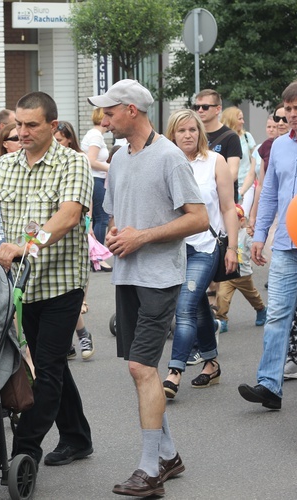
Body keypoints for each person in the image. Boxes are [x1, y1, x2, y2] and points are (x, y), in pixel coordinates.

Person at [0, 91, 94, 469]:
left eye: (31, 125)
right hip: (20, 287)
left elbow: (68, 216)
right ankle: (77, 437)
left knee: (47, 367)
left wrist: (24, 245)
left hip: (60, 283)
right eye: (19, 124)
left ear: (53, 126)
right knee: (54, 366)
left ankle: (24, 448)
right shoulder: (5, 166)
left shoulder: (73, 163)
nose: (23, 132)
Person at [90, 79, 208, 497]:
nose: (104, 119)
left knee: (140, 368)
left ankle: (148, 470)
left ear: (131, 111)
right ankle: (169, 455)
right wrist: (117, 234)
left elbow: (199, 219)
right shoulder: (119, 158)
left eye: (109, 111)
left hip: (159, 278)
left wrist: (142, 237)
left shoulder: (170, 157)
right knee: (147, 373)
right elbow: (114, 218)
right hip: (126, 276)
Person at [161, 109, 238, 400]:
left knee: (184, 307)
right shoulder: (166, 161)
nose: (188, 135)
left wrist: (232, 248)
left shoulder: (214, 162)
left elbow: (229, 207)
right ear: (172, 134)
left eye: (193, 130)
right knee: (197, 307)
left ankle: (174, 371)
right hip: (173, 247)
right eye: (181, 131)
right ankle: (211, 362)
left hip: (206, 246)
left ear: (200, 133)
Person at [239, 80, 297, 410]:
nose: (292, 115)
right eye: (288, 110)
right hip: (287, 246)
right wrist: (259, 236)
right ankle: (269, 386)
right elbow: (268, 196)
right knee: (278, 314)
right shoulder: (278, 146)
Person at [52, 121, 97, 361]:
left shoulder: (78, 161)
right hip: (45, 236)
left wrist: (88, 224)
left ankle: (83, 335)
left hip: (69, 233)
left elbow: (82, 202)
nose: (56, 144)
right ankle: (67, 343)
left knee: (66, 293)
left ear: (68, 139)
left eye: (59, 140)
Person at [214, 205, 267, 333]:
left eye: (233, 220)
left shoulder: (246, 235)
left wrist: (258, 254)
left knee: (252, 295)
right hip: (228, 274)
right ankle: (222, 320)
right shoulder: (222, 234)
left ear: (241, 221)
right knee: (222, 296)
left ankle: (261, 309)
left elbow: (253, 246)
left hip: (243, 275)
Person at [193, 89, 243, 200]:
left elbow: (233, 173)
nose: (200, 110)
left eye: (205, 107)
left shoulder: (231, 137)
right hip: (198, 198)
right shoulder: (192, 135)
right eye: (197, 107)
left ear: (218, 109)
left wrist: (209, 188)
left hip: (223, 199)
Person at [81, 107, 111, 244]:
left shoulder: (93, 134)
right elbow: (91, 160)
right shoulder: (96, 136)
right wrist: (111, 167)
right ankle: (97, 253)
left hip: (96, 178)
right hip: (96, 178)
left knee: (99, 218)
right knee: (102, 218)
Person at [221, 107, 256, 208]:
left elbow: (255, 159)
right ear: (231, 119)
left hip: (246, 184)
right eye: (240, 119)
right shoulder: (224, 138)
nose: (243, 121)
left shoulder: (247, 136)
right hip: (228, 185)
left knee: (243, 215)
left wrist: (242, 191)